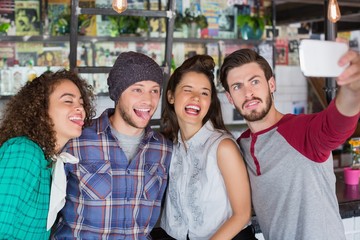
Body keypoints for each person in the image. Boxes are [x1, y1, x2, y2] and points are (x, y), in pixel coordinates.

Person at [219, 47, 360, 240]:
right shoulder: (240, 146)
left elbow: (336, 124)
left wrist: (353, 90)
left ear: (271, 84)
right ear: (229, 98)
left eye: (255, 82)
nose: (248, 93)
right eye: (237, 86)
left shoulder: (302, 130)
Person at [51, 51, 173, 239]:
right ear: (117, 93)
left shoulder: (164, 149)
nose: (148, 100)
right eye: (137, 89)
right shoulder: (77, 140)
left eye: (154, 90)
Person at [160, 54, 256, 239]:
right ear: (171, 96)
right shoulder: (171, 148)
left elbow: (242, 215)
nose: (196, 98)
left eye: (204, 93)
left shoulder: (223, 147)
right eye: (188, 90)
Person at [0, 69, 95, 239]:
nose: (80, 108)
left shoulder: (47, 160)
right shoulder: (25, 152)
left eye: (81, 102)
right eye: (68, 101)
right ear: (40, 110)